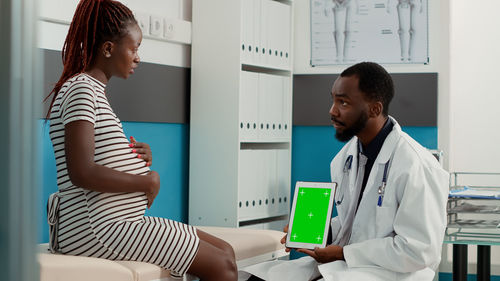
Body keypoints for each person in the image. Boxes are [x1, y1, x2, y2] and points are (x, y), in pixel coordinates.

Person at [45, 1, 237, 280]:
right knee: (223, 265)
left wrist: (133, 156)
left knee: (226, 251)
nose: (138, 58)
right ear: (108, 48)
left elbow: (95, 155)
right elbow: (81, 171)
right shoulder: (82, 89)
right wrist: (146, 181)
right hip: (97, 230)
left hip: (117, 223)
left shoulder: (92, 91)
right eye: (133, 49)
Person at [243, 62, 448, 281]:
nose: (332, 111)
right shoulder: (346, 157)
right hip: (348, 266)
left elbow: (419, 251)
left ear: (374, 109)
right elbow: (357, 222)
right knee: (255, 278)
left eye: (343, 102)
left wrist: (343, 253)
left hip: (393, 274)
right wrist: (319, 231)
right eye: (333, 100)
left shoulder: (417, 165)